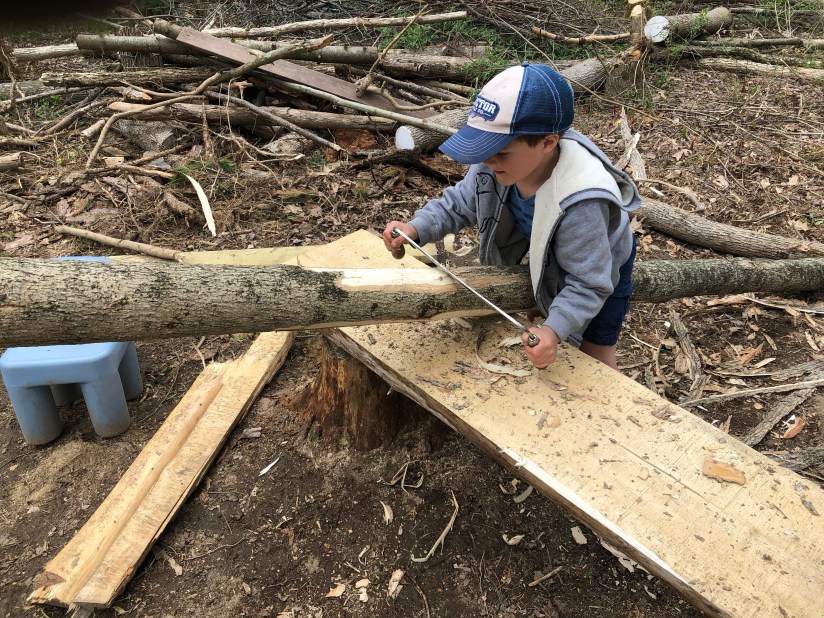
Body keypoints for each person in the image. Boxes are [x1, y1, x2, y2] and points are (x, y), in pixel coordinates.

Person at [382, 63, 640, 371]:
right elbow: (459, 203)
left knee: (595, 356)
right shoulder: (494, 162)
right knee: (547, 298)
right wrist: (415, 228)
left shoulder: (582, 202)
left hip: (601, 264)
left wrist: (552, 330)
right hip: (551, 246)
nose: (487, 160)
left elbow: (589, 283)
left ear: (547, 143)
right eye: (483, 147)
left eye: (501, 152)